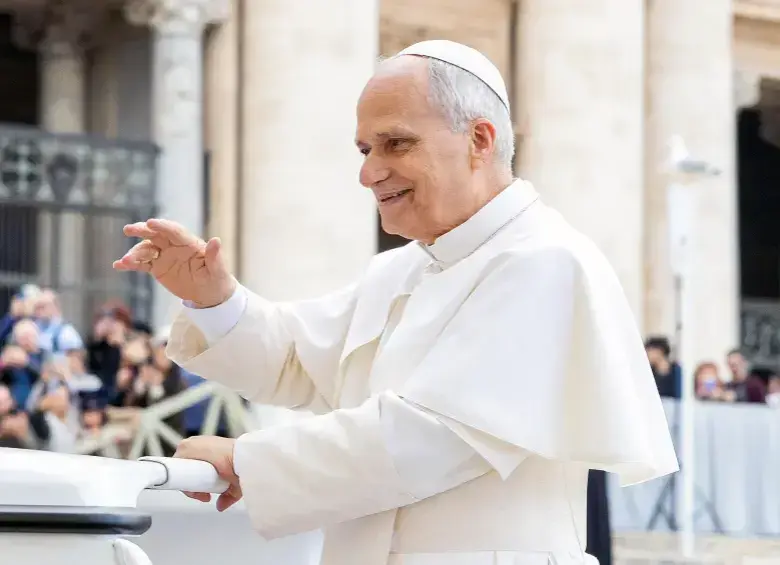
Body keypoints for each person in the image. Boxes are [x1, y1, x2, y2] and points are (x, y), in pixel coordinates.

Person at [114, 40, 677, 565]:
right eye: (364, 149)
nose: (367, 172)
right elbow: (292, 358)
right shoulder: (402, 268)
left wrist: (247, 462)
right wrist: (211, 297)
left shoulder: (547, 262)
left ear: (479, 140)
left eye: (395, 143)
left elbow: (434, 435)